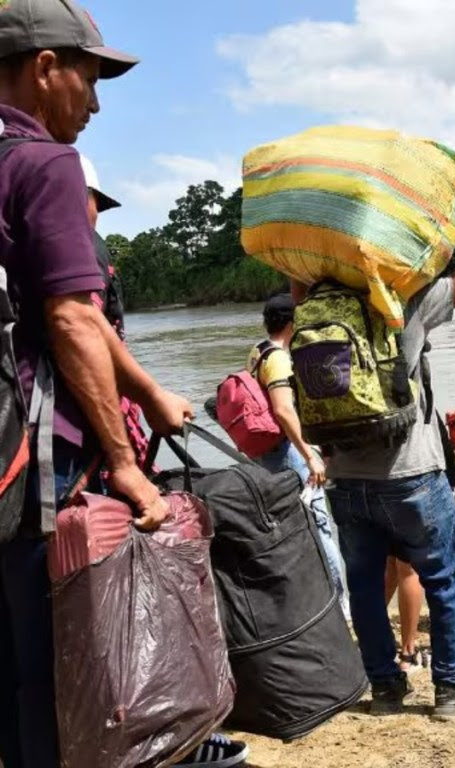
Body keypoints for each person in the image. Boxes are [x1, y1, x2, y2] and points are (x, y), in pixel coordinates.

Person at [0, 4, 246, 766]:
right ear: (45, 67)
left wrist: (144, 394)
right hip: (35, 475)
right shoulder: (42, 164)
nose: (96, 102)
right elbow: (74, 317)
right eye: (89, 76)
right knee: (56, 675)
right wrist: (129, 464)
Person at [315, 154, 455, 720]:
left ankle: (386, 688)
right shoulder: (409, 300)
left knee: (367, 590)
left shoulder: (312, 304)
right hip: (412, 475)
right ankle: (450, 689)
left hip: (345, 477)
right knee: (442, 580)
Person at [248, 294, 348, 617]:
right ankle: (340, 604)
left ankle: (305, 602)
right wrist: (310, 455)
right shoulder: (278, 357)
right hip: (288, 452)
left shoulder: (257, 352)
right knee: (319, 524)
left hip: (266, 454)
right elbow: (282, 410)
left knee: (290, 527)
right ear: (292, 325)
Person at [79, 154, 152, 468]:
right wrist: (152, 398)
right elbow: (86, 333)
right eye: (95, 202)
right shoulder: (83, 246)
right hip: (92, 414)